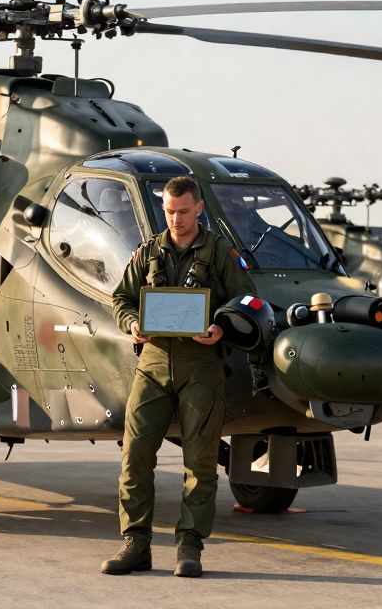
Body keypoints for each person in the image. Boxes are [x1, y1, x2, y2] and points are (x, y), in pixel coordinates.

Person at [101, 175, 256, 578]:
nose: (176, 219)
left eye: (183, 212)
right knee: (134, 457)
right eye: (169, 211)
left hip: (201, 367)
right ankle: (136, 543)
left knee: (200, 463)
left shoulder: (221, 252)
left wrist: (222, 328)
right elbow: (120, 297)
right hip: (152, 364)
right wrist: (132, 321)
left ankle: (190, 546)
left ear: (199, 208)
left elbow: (247, 301)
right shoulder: (150, 251)